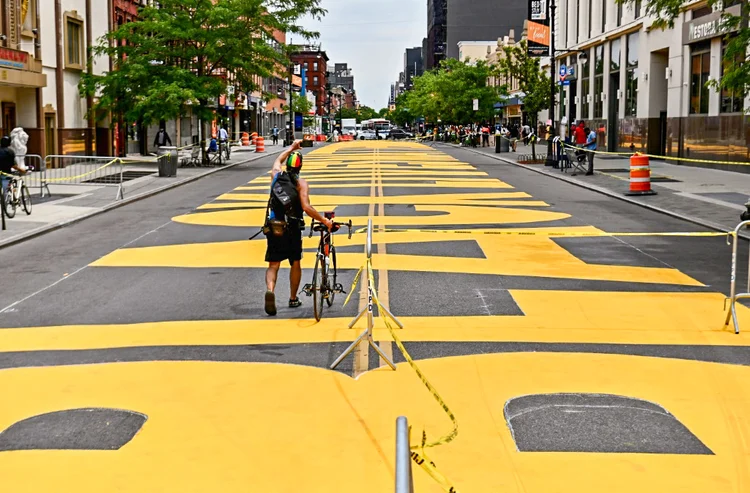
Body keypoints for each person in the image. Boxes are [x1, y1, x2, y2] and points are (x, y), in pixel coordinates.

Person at [264, 140, 334, 316]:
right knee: (295, 262)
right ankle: (293, 298)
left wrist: (290, 149)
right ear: (300, 167)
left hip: (274, 227)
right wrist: (324, 221)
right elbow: (306, 208)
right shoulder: (301, 183)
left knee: (273, 265)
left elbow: (277, 161)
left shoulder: (276, 176)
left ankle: (270, 290)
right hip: (292, 229)